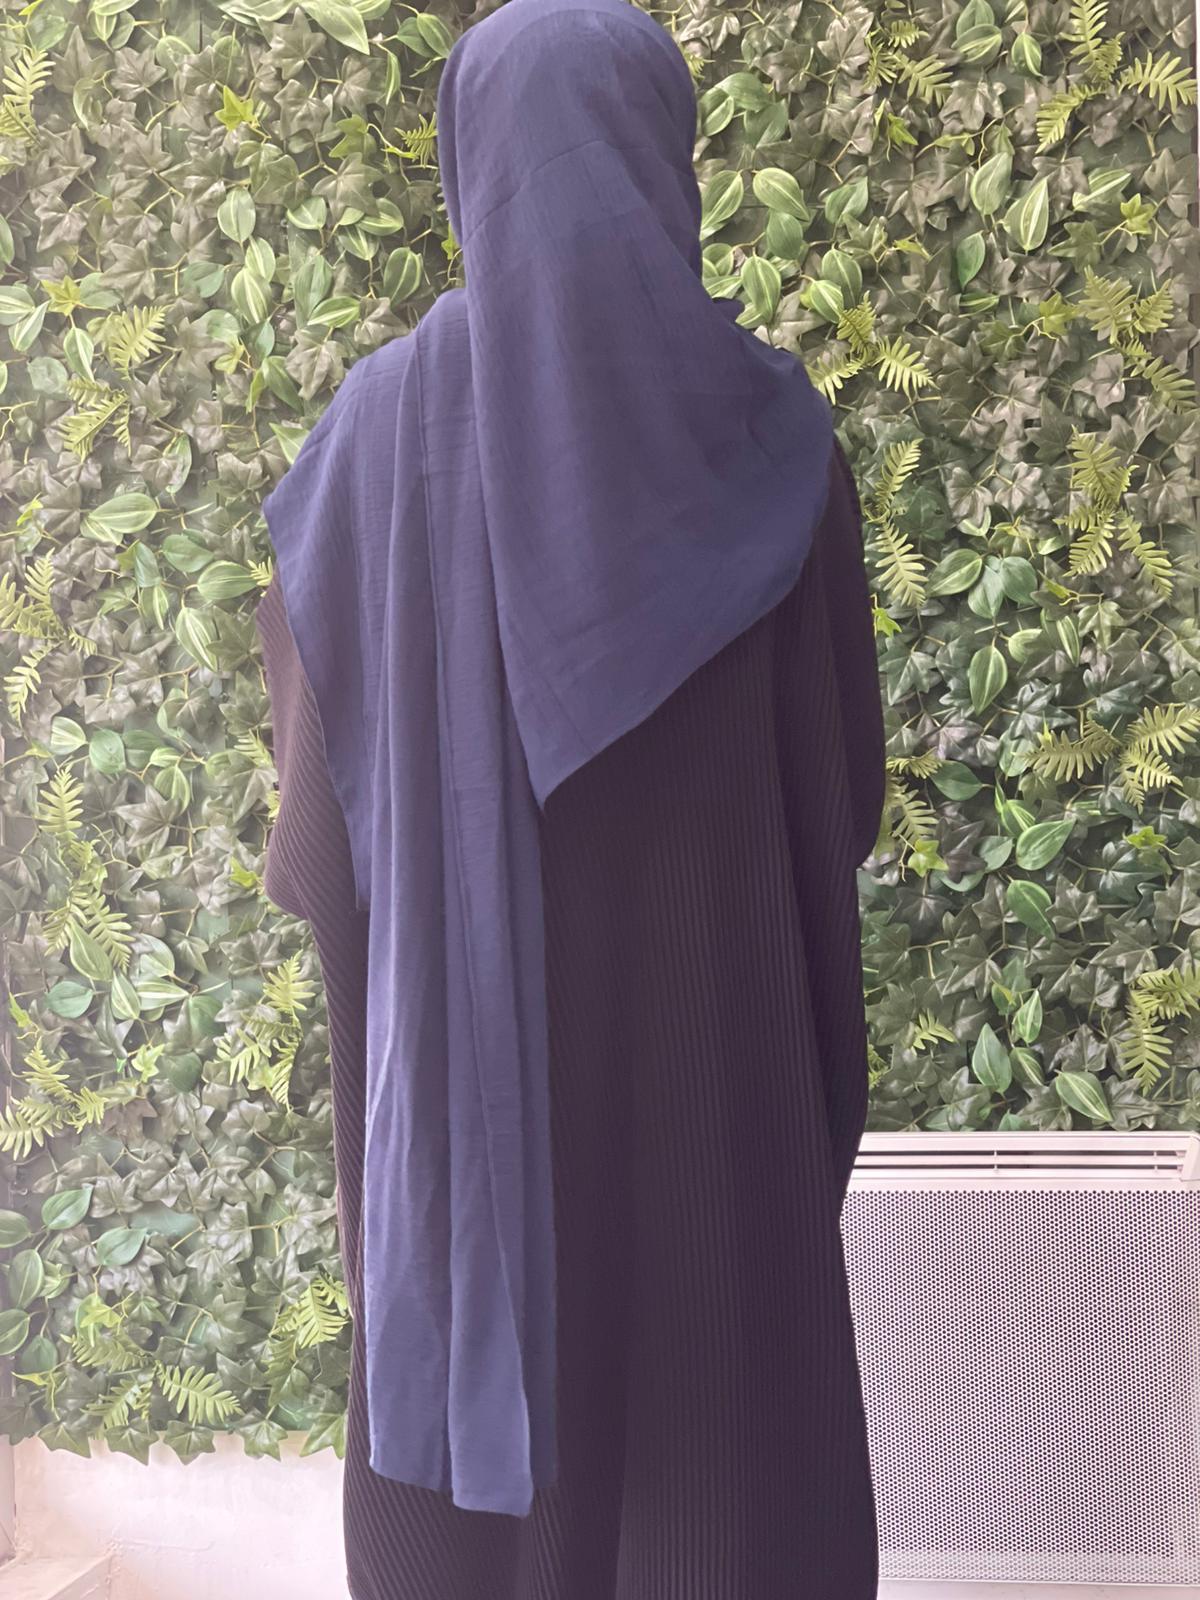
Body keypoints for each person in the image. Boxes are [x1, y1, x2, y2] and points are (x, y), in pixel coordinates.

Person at [256, 0, 887, 1593]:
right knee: (721, 1466)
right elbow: (843, 791)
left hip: (475, 1169)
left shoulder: (370, 442)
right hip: (717, 1106)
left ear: (472, 164)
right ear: (666, 156)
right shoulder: (774, 440)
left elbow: (317, 840)